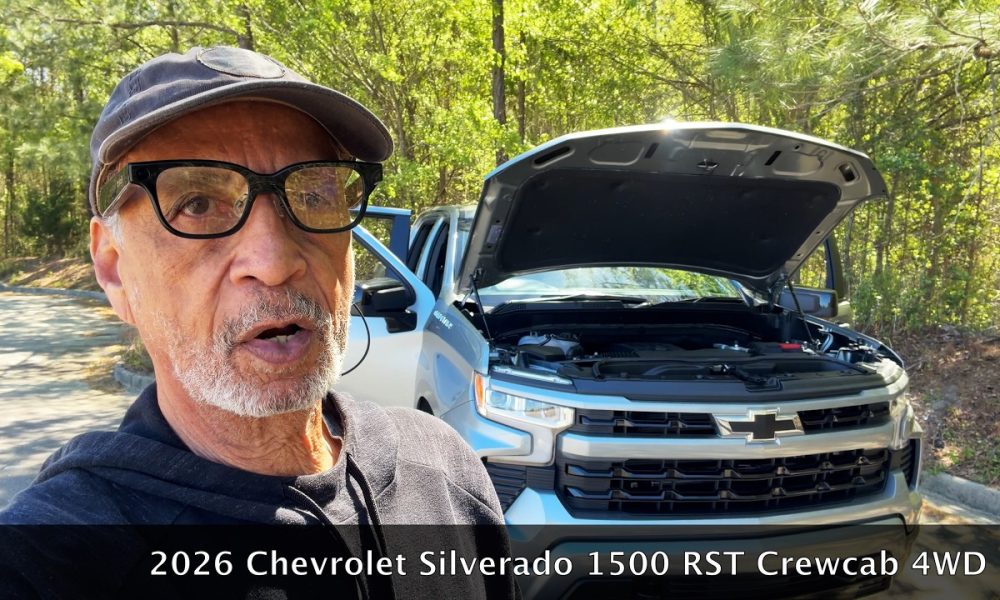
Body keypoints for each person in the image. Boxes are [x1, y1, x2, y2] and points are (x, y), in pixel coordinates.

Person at [0, 46, 516, 600]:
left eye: (314, 194)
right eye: (198, 204)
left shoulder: (443, 472)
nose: (274, 263)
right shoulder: (51, 557)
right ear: (114, 269)